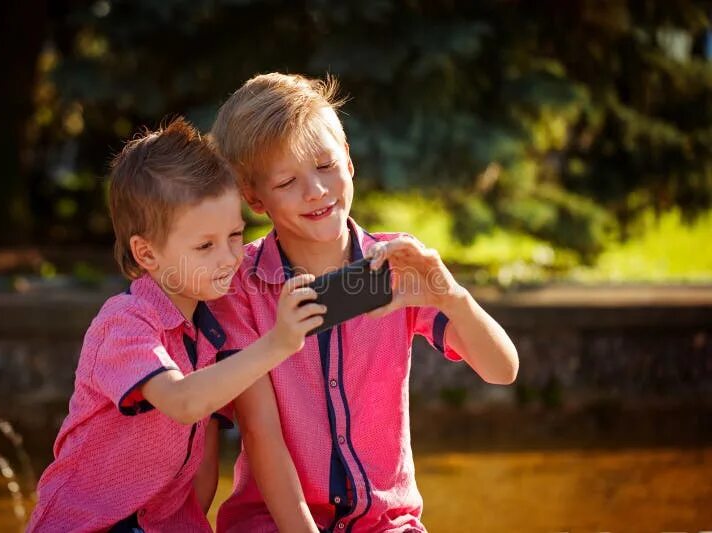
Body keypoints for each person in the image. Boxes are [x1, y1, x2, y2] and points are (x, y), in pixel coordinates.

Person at [209, 73, 519, 532]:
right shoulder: (242, 289)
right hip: (274, 522)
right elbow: (260, 436)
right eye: (288, 181)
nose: (315, 190)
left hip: (386, 523)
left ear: (350, 163)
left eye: (325, 165)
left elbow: (502, 370)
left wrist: (454, 298)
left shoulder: (399, 262)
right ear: (255, 198)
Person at [26, 117, 326, 532]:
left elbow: (203, 464)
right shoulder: (124, 325)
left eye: (235, 236)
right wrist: (277, 344)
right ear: (147, 254)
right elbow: (184, 402)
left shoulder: (211, 329)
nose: (227, 258)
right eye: (205, 246)